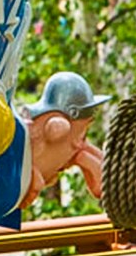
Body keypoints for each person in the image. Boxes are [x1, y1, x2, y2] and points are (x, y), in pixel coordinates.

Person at [21, 71, 109, 205]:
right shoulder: (59, 128)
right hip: (23, 176)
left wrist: (85, 158)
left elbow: (102, 187)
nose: (80, 144)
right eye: (81, 132)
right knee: (35, 184)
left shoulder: (75, 144)